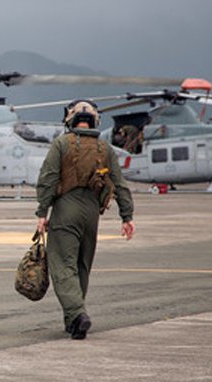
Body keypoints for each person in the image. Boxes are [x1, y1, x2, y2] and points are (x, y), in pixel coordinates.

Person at [35, 99, 136, 340]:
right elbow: (120, 184)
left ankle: (78, 314)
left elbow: (48, 179)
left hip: (65, 210)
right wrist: (127, 216)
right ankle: (72, 322)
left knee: (62, 265)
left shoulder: (61, 144)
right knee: (82, 266)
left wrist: (42, 212)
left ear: (69, 119)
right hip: (92, 214)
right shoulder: (105, 149)